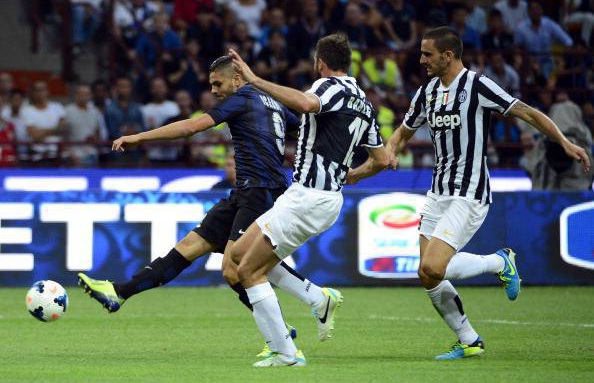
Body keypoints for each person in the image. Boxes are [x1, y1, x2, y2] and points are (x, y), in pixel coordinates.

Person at [77, 55, 337, 359]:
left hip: (261, 193)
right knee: (191, 245)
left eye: (218, 83)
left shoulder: (241, 99)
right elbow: (307, 128)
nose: (213, 90)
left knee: (234, 269)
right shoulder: (274, 102)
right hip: (245, 192)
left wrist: (139, 137)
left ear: (237, 79)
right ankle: (119, 292)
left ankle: (290, 327)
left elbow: (192, 127)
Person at [385, 26, 590, 360]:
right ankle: (469, 340)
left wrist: (564, 142)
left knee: (435, 267)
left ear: (448, 56)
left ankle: (499, 261)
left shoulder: (477, 85)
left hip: (469, 191)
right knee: (426, 273)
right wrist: (392, 148)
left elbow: (526, 111)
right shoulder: (427, 93)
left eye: (427, 54)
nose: (421, 60)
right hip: (438, 192)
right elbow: (404, 130)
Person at [228, 33, 391, 367]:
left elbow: (303, 104)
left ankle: (285, 353)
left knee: (247, 271)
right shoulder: (365, 102)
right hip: (320, 198)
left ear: (321, 63)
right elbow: (382, 159)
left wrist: (255, 79)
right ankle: (318, 298)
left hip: (308, 197)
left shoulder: (328, 87)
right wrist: (352, 175)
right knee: (238, 255)